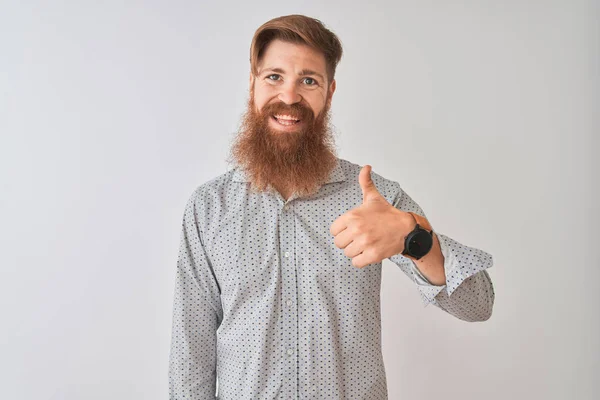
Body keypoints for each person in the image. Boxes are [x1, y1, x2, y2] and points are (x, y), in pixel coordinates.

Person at [168, 14, 495, 400]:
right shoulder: (208, 207)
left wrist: (413, 238)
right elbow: (191, 354)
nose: (289, 97)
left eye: (309, 80)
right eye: (274, 76)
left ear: (330, 92)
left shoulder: (374, 198)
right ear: (252, 83)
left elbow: (478, 304)